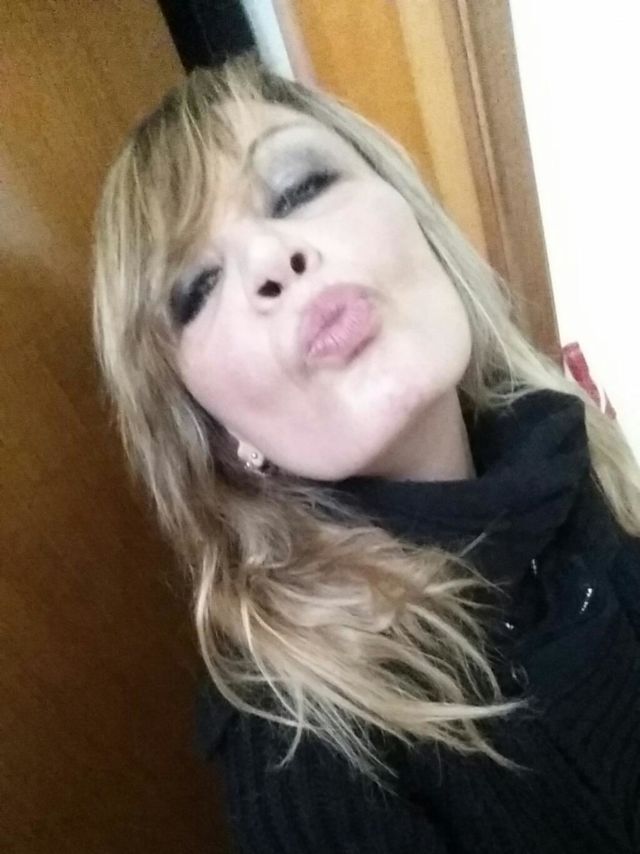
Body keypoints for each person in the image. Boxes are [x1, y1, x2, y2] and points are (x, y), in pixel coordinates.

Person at [92, 54, 640, 853]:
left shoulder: (575, 451)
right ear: (214, 428)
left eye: (300, 189)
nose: (272, 258)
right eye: (197, 288)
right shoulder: (300, 747)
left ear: (414, 217)